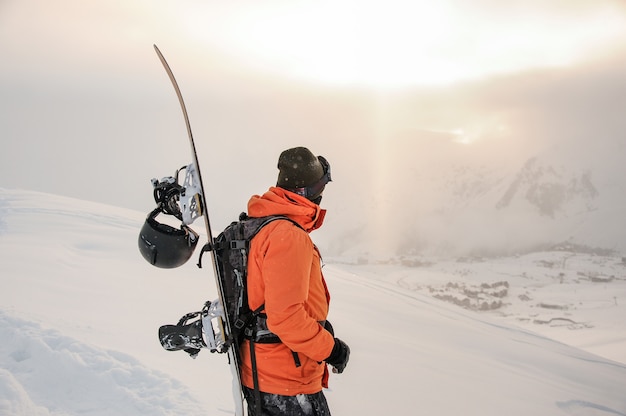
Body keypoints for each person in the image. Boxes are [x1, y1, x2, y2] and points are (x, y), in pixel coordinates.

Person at [239, 147, 350, 416]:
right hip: (286, 380)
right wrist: (331, 349)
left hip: (262, 369)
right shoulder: (288, 235)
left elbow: (265, 299)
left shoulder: (262, 225)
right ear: (307, 191)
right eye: (321, 185)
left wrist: (318, 324)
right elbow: (285, 318)